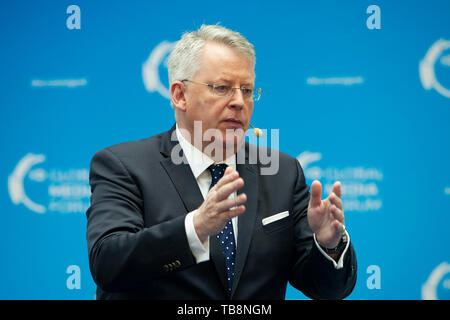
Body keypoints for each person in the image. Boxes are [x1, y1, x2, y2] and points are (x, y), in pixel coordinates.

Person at [86, 24, 357, 300]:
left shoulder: (282, 173)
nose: (239, 102)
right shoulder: (123, 166)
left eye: (247, 90)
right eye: (222, 88)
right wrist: (196, 227)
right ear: (180, 95)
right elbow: (108, 263)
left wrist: (328, 245)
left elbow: (328, 289)